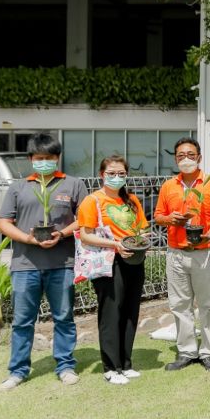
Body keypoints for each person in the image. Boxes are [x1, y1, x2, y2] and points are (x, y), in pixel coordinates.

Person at [0, 133, 88, 391]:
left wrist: (62, 233)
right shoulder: (19, 187)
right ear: (30, 159)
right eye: (39, 158)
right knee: (23, 321)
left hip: (62, 263)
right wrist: (28, 238)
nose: (44, 162)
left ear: (57, 158)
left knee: (64, 317)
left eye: (49, 158)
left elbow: (85, 218)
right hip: (25, 265)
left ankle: (65, 365)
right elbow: (3, 222)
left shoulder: (73, 184)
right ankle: (18, 370)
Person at [154, 137, 210, 373]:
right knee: (179, 304)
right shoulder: (169, 186)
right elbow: (158, 215)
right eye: (180, 156)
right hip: (176, 252)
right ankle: (187, 351)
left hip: (204, 252)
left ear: (198, 157)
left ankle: (209, 352)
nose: (185, 159)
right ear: (175, 159)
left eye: (190, 155)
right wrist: (169, 219)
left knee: (207, 303)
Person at [77, 155, 148, 385]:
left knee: (130, 311)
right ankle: (110, 367)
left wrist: (141, 240)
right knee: (111, 312)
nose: (117, 177)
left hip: (134, 260)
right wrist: (115, 244)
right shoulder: (92, 201)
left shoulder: (132, 201)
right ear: (102, 175)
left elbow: (141, 230)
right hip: (109, 262)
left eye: (121, 174)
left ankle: (126, 363)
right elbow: (85, 234)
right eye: (112, 173)